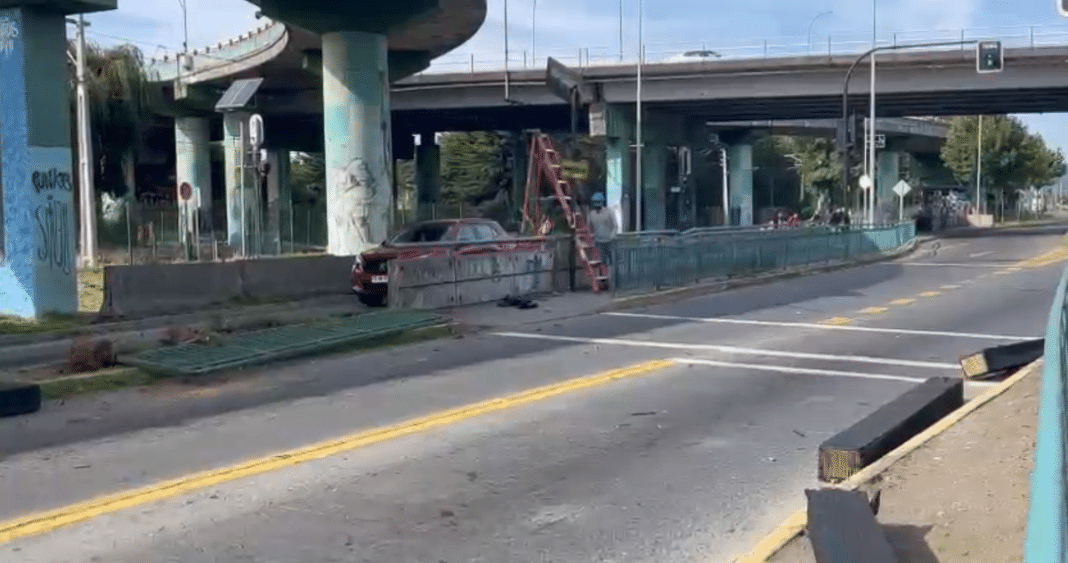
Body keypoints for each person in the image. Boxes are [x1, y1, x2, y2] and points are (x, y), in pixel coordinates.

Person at [587, 192, 618, 265]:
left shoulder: (608, 212)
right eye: (595, 202)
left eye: (598, 201)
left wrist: (612, 235)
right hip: (598, 242)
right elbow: (589, 227)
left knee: (611, 261)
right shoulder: (591, 214)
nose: (596, 204)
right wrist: (593, 237)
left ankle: (610, 274)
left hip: (609, 241)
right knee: (601, 262)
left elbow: (615, 225)